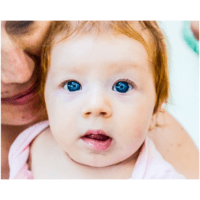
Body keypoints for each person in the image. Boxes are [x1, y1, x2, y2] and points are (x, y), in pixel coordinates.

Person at [1, 21, 198, 179]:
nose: (95, 106)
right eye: (72, 85)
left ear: (156, 107)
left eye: (122, 86)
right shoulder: (30, 147)